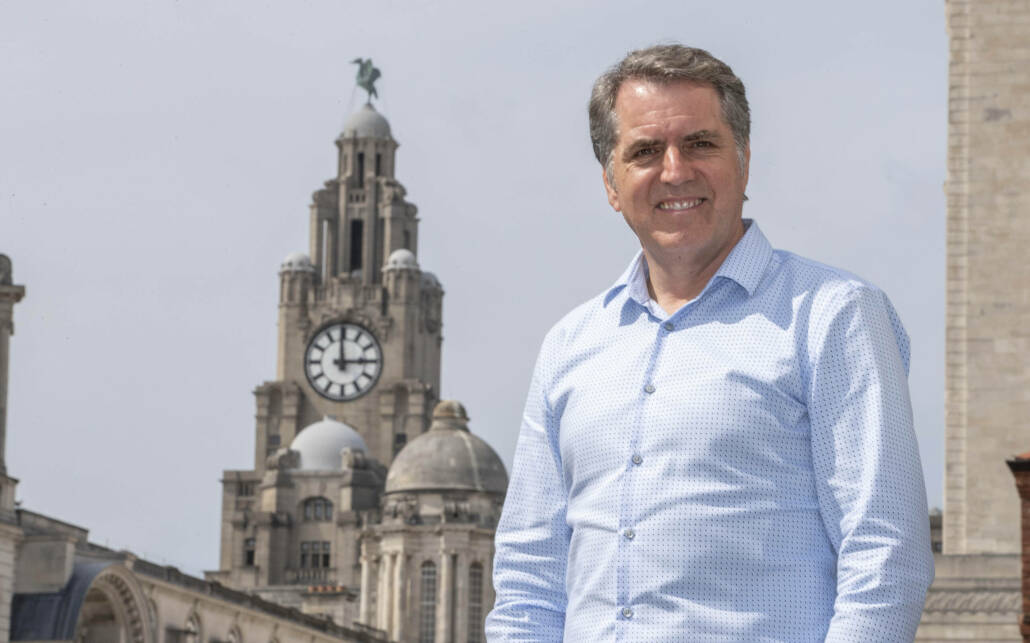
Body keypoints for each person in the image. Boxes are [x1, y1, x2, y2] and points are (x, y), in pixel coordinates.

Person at [485, 44, 934, 642]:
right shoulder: (570, 345)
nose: (675, 171)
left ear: (743, 162)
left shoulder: (834, 315)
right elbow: (529, 580)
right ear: (612, 184)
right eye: (644, 151)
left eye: (700, 143)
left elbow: (885, 553)